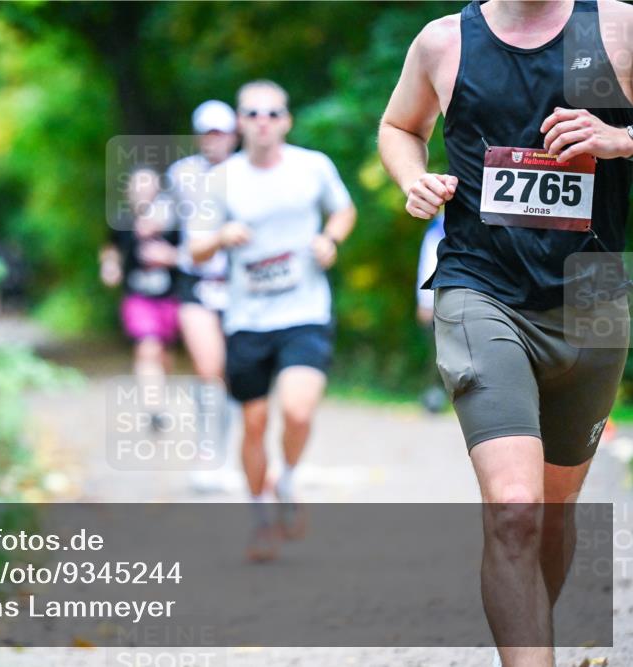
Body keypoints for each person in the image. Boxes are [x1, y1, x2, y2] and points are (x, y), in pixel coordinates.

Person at [378, 1, 633, 664]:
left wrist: (620, 139)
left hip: (593, 290)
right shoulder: (444, 42)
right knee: (514, 509)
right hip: (479, 283)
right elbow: (400, 126)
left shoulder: (614, 28)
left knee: (552, 509)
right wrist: (414, 178)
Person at [192, 79, 357, 561]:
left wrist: (330, 239)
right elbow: (195, 247)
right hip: (246, 318)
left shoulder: (313, 167)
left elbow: (344, 211)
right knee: (254, 420)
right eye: (252, 114)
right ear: (239, 122)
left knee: (299, 410)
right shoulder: (220, 180)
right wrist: (221, 235)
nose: (262, 122)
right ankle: (261, 517)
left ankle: (286, 477)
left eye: (272, 113)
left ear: (286, 120)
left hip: (304, 310)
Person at [167, 100, 240, 493]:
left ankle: (231, 455)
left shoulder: (247, 173)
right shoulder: (181, 174)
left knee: (235, 372)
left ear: (233, 134)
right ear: (199, 136)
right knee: (208, 369)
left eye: (222, 132)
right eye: (208, 133)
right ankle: (207, 452)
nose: (215, 140)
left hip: (239, 285)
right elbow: (169, 223)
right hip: (195, 281)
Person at [100, 167, 181, 416]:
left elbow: (194, 255)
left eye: (147, 186)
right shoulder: (122, 221)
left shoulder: (173, 220)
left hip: (171, 297)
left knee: (163, 353)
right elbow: (110, 248)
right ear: (129, 192)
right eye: (137, 187)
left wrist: (171, 257)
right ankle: (153, 407)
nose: (142, 192)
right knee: (148, 347)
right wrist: (110, 266)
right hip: (137, 297)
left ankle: (158, 393)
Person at [416, 211, 448, 414]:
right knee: (438, 353)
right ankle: (435, 395)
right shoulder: (439, 227)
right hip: (440, 299)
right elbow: (428, 264)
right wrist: (426, 302)